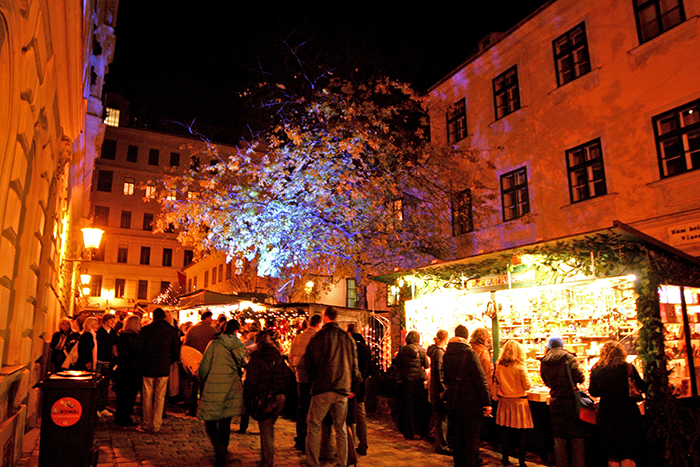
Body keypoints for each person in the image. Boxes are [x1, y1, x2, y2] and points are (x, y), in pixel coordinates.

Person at [301, 306, 360, 467]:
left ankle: (312, 461)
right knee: (340, 427)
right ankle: (342, 461)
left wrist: (315, 379)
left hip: (323, 387)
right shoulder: (347, 338)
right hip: (342, 388)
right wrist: (352, 386)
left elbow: (309, 362)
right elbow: (354, 365)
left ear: (325, 316)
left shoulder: (319, 337)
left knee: (314, 425)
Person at [589, 341, 647, 467]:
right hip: (627, 411)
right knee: (628, 449)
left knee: (613, 451)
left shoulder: (597, 369)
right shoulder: (627, 367)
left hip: (608, 412)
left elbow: (593, 391)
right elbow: (642, 386)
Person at [198, 319, 246, 467]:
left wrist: (203, 381)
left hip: (213, 384)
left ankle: (219, 450)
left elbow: (204, 366)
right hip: (231, 386)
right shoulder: (239, 346)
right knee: (225, 422)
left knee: (210, 422)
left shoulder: (214, 344)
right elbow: (241, 363)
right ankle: (222, 452)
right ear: (237, 330)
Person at [443, 325, 492, 467]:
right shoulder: (470, 354)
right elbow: (480, 379)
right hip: (471, 402)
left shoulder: (448, 354)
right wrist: (486, 402)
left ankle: (458, 462)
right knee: (471, 437)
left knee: (458, 436)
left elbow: (446, 378)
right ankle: (470, 462)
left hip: (455, 402)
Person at [244, 330, 292, 467]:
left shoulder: (257, 356)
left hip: (265, 397)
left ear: (257, 341)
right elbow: (286, 375)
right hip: (280, 396)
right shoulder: (277, 355)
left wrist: (249, 396)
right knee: (269, 427)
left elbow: (251, 380)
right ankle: (266, 458)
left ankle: (267, 462)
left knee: (266, 430)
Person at [540, 335, 587, 467]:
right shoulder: (568, 357)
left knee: (559, 438)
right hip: (571, 402)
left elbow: (546, 381)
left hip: (556, 401)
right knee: (576, 437)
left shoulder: (544, 360)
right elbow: (579, 377)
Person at [137, 308, 181, 433]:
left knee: (147, 395)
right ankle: (156, 424)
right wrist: (169, 361)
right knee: (160, 397)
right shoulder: (172, 331)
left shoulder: (146, 330)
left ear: (154, 317)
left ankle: (147, 422)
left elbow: (139, 349)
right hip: (163, 366)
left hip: (148, 366)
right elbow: (176, 350)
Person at [495, 340, 534, 467]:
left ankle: (505, 458)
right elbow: (527, 385)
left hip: (504, 401)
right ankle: (521, 461)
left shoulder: (499, 365)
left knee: (505, 432)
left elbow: (497, 382)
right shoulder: (520, 366)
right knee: (521, 433)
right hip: (519, 402)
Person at [289, 314, 323, 451]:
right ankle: (310, 439)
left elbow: (291, 358)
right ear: (318, 325)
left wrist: (296, 371)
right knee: (312, 409)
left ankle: (300, 438)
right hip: (314, 378)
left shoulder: (298, 338)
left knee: (301, 407)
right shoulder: (317, 338)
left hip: (300, 377)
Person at [395, 330, 430, 440]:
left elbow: (397, 364)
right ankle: (420, 431)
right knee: (419, 406)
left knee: (408, 406)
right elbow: (426, 364)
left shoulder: (402, 350)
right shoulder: (421, 350)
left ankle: (409, 431)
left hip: (407, 381)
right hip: (419, 381)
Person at [183, 310, 217, 416]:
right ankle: (203, 408)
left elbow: (186, 344)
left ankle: (193, 409)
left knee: (193, 385)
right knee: (205, 386)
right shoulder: (212, 330)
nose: (211, 320)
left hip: (194, 360)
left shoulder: (192, 329)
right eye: (210, 318)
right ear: (206, 318)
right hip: (207, 360)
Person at [114, 315, 142, 427]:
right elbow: (137, 353)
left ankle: (119, 416)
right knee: (130, 394)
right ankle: (125, 417)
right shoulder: (135, 337)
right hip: (132, 369)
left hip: (121, 368)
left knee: (121, 394)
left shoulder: (120, 336)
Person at [427, 329, 450, 455]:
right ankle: (442, 445)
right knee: (442, 418)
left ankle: (433, 436)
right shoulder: (440, 353)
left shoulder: (434, 352)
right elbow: (439, 372)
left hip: (434, 388)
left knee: (436, 415)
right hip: (438, 389)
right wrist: (443, 389)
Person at [350, 331, 372, 456]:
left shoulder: (352, 349)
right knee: (361, 415)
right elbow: (369, 369)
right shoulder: (366, 349)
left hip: (352, 387)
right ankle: (363, 444)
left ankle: (351, 446)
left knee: (351, 417)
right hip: (362, 387)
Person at [96, 312, 117, 416]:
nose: (113, 322)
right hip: (99, 360)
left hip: (109, 361)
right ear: (105, 321)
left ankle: (103, 406)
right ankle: (96, 406)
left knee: (105, 384)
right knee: (98, 383)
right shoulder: (99, 332)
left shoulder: (113, 333)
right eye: (111, 320)